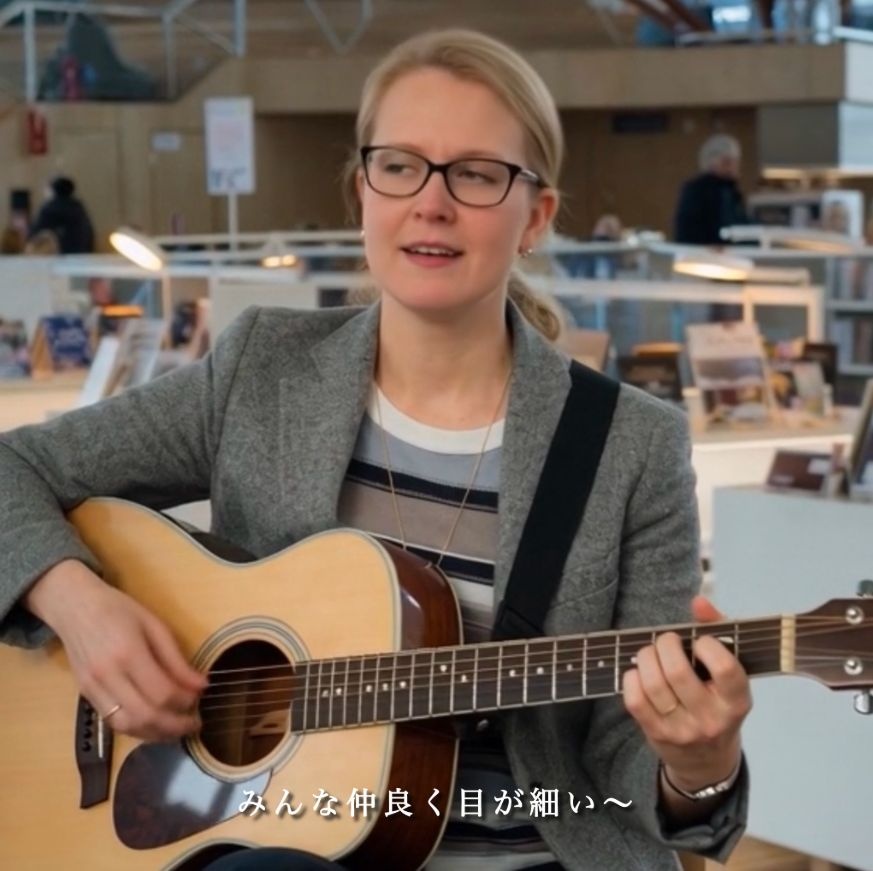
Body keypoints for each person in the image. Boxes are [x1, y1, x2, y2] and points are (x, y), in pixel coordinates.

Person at [0, 29, 750, 871]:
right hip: (258, 838)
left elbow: (638, 777)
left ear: (535, 216)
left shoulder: (628, 445)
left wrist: (699, 763)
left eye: (476, 174)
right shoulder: (263, 370)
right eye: (399, 166)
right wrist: (80, 608)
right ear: (362, 192)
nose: (431, 203)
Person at [673, 134, 748, 245]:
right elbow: (690, 229)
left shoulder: (731, 192)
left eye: (735, 162)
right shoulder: (698, 190)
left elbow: (739, 222)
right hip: (705, 251)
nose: (733, 167)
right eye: (727, 162)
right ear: (712, 163)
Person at [28, 175, 96, 254]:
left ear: (52, 190)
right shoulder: (78, 207)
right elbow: (89, 233)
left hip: (58, 255)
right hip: (81, 253)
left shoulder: (50, 208)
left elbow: (35, 235)